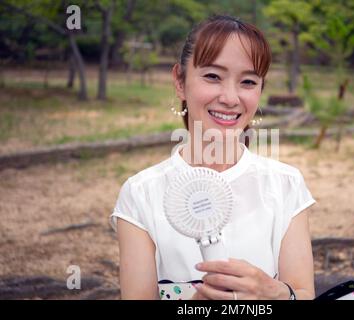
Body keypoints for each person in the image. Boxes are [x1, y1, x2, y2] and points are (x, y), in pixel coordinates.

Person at [110, 14, 316, 300]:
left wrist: (277, 294)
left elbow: (303, 293)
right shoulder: (141, 193)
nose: (231, 98)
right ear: (180, 82)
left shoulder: (286, 185)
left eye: (247, 82)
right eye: (213, 77)